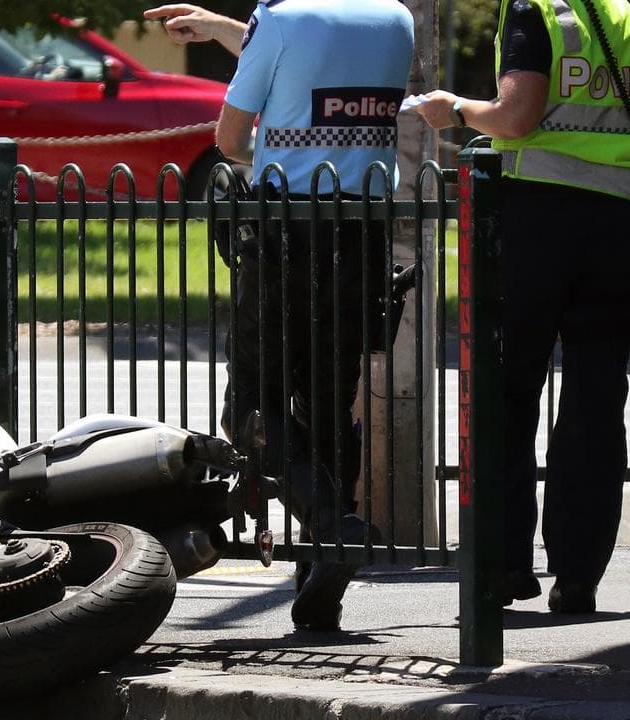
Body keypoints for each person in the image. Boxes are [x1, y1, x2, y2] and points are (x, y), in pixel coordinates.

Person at [145, 0, 414, 630]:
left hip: (286, 234)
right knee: (326, 406)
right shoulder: (395, 19)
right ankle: (324, 573)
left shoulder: (282, 19)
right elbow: (317, 70)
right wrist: (222, 32)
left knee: (250, 407)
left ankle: (330, 527)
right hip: (362, 234)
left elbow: (230, 139)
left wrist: (272, 147)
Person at [413, 0, 630, 613]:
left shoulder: (545, 10)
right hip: (619, 224)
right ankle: (580, 575)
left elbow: (516, 115)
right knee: (597, 397)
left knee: (505, 393)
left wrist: (453, 109)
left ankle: (504, 564)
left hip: (535, 220)